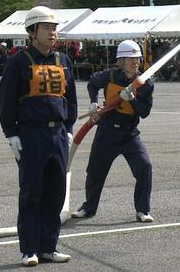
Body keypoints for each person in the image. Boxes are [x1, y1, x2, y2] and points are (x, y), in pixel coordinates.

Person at [0, 6, 77, 267]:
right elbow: (6, 100)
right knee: (32, 192)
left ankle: (49, 247)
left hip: (57, 135)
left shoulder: (63, 61)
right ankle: (29, 249)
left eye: (54, 28)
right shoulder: (18, 63)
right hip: (31, 135)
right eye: (46, 28)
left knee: (55, 193)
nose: (52, 32)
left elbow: (71, 98)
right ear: (32, 31)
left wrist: (68, 128)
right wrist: (11, 134)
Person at [72, 40, 155, 223]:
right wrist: (93, 102)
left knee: (144, 167)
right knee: (94, 171)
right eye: (130, 59)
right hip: (106, 132)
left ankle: (143, 210)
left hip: (129, 133)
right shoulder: (109, 76)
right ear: (121, 60)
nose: (135, 62)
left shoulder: (145, 83)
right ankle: (88, 208)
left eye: (137, 58)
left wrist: (132, 99)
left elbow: (145, 113)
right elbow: (92, 83)